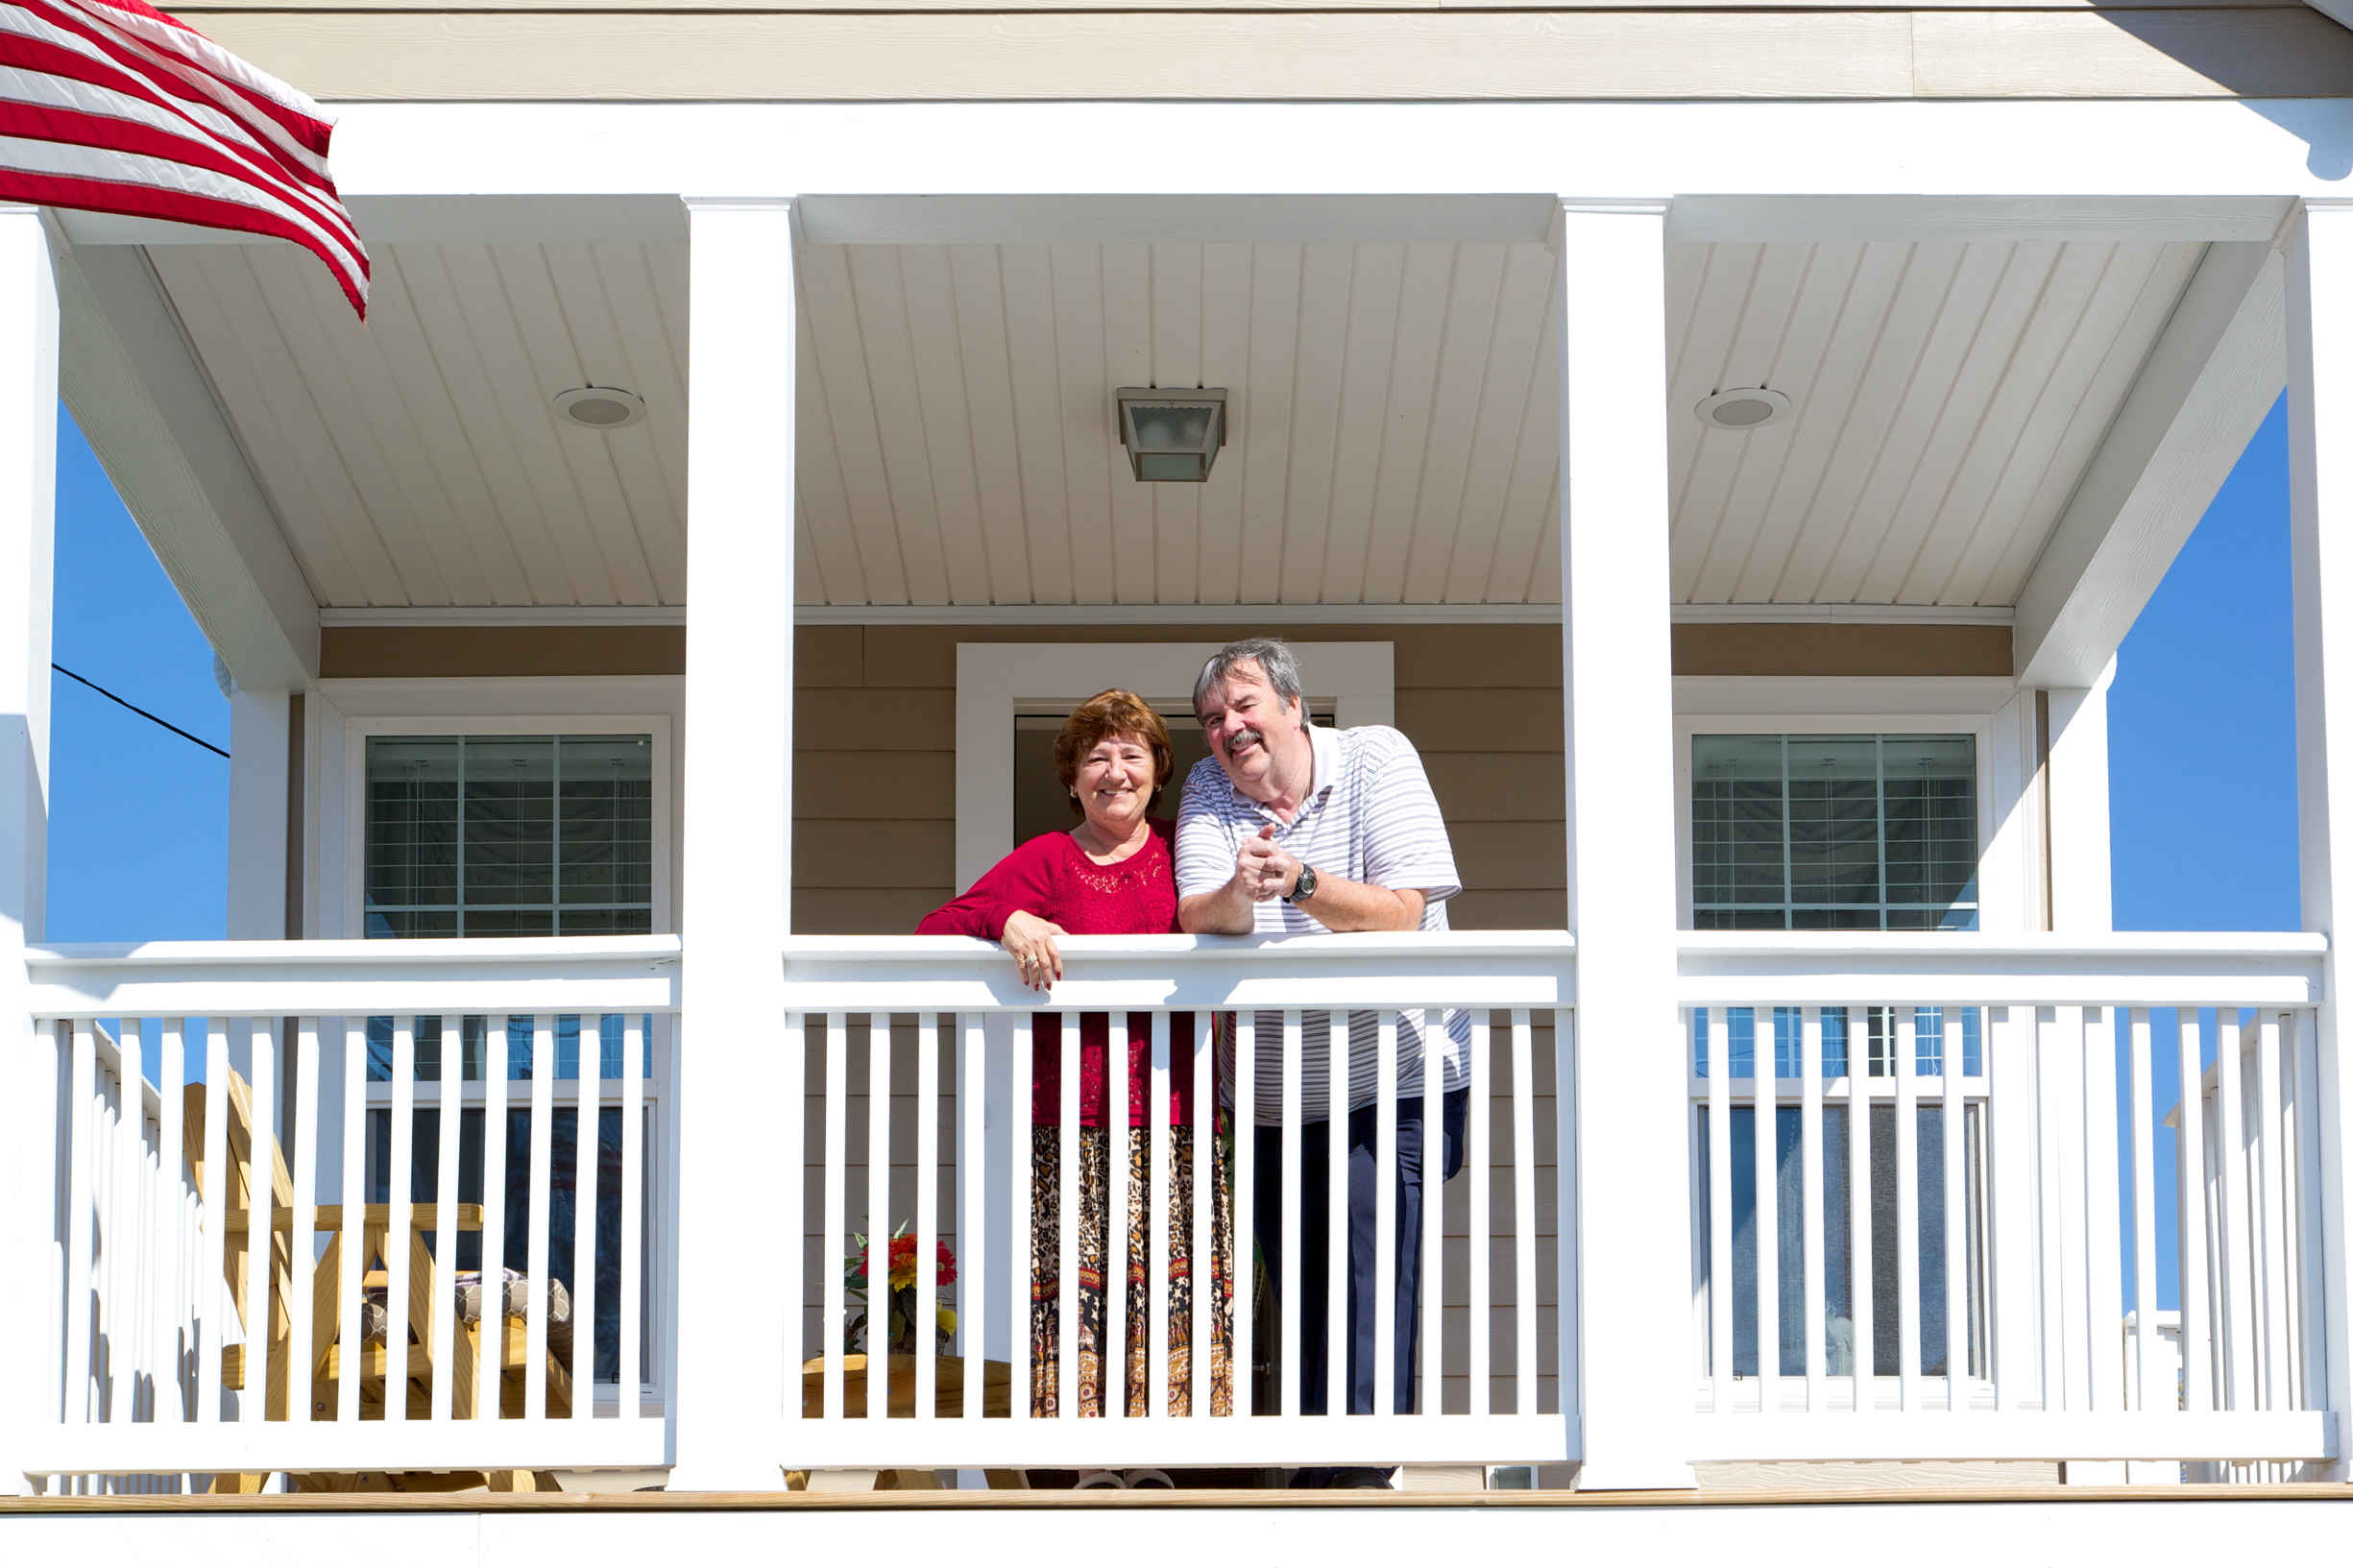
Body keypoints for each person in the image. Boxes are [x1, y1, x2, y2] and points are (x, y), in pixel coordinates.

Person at [1175, 638, 1468, 1477]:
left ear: (1295, 705)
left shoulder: (1377, 756)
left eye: (1243, 705)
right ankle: (1316, 1477)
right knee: (1301, 1293)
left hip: (1397, 1078)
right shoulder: (1207, 789)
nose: (1227, 728)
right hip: (1273, 1099)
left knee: (1371, 1280)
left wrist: (1301, 881)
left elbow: (1404, 911)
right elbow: (1202, 911)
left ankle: (1357, 1483)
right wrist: (1243, 888)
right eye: (1211, 719)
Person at [917, 689, 1231, 1437]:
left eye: (1132, 754)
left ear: (1158, 769)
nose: (1114, 772)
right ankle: (1088, 1460)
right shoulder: (1047, 859)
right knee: (1078, 1295)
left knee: (1172, 1292)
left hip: (1176, 1119)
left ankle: (1168, 1457)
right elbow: (936, 927)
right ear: (1071, 778)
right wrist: (1008, 917)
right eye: (1097, 757)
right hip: (1072, 1125)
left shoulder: (1182, 852)